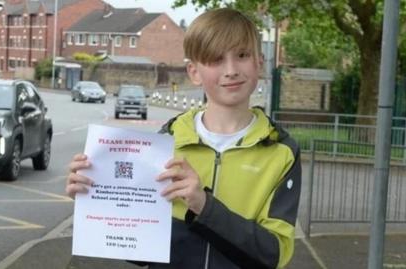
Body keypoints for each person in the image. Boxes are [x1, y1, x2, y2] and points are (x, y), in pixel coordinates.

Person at [66, 8, 301, 269]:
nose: (231, 70)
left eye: (242, 55)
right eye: (215, 60)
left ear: (259, 61)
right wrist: (97, 202)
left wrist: (204, 206)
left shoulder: (281, 151)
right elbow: (141, 253)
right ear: (194, 72)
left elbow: (274, 255)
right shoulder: (167, 143)